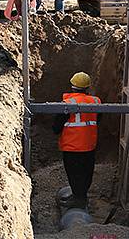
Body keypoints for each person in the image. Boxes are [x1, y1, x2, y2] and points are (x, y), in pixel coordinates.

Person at [52, 72, 101, 209]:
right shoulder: (96, 101)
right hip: (89, 145)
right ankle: (80, 196)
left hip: (72, 146)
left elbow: (56, 127)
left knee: (74, 173)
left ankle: (78, 199)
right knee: (86, 172)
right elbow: (98, 119)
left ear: (72, 86)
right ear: (87, 87)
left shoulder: (67, 103)